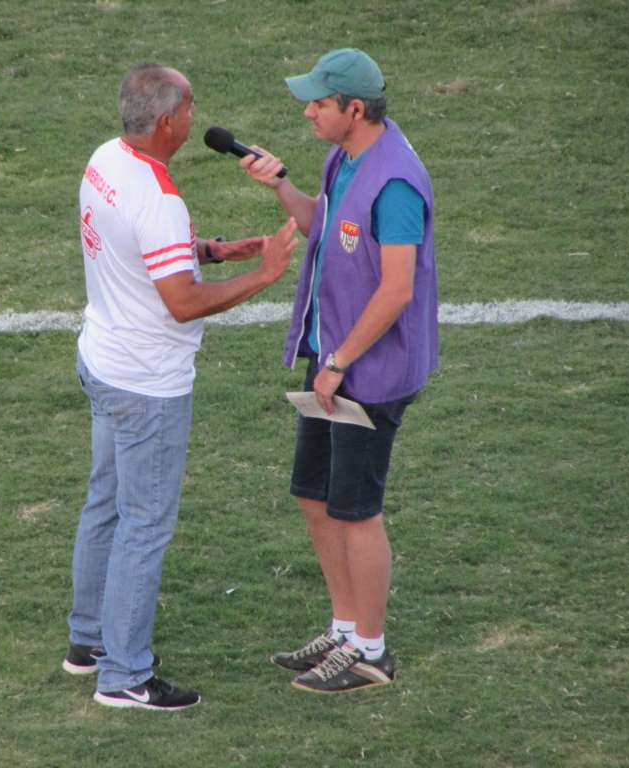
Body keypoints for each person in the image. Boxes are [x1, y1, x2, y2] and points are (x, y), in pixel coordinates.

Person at [64, 63, 299, 711]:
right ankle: (124, 675)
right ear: (167, 121)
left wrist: (213, 252)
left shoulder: (105, 159)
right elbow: (182, 304)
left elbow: (136, 249)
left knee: (105, 505)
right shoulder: (160, 200)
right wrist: (265, 274)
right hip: (147, 385)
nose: (196, 118)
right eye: (191, 108)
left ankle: (89, 642)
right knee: (143, 527)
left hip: (103, 360)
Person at [238, 48, 438, 694]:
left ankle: (370, 653)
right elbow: (323, 228)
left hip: (368, 373)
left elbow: (397, 289)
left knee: (355, 509)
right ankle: (345, 627)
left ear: (355, 109)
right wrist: (280, 186)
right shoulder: (343, 158)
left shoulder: (396, 183)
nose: (308, 112)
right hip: (333, 362)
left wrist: (341, 362)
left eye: (320, 103)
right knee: (314, 495)